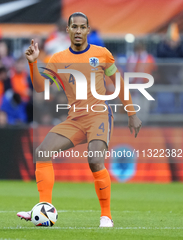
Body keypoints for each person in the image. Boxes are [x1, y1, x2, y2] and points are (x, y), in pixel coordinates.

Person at [17, 12, 142, 227]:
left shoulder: (102, 54)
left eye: (82, 27)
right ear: (68, 30)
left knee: (94, 160)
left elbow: (119, 83)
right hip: (75, 119)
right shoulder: (57, 59)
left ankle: (106, 216)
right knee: (42, 152)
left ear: (88, 30)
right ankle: (43, 209)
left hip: (99, 115)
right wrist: (33, 63)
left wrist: (132, 113)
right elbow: (39, 88)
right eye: (74, 27)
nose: (78, 31)